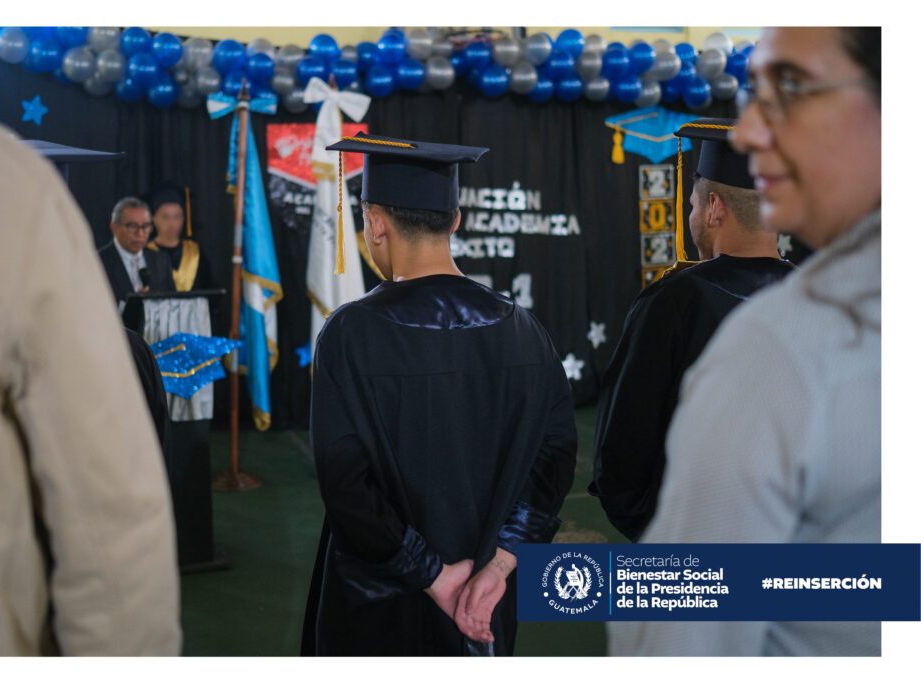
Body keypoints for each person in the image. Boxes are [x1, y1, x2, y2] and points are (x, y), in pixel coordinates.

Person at [610, 27, 881, 656]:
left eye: (791, 92)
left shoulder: (751, 335)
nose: (760, 129)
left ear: (710, 209)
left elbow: (624, 464)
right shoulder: (849, 305)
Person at [300, 132, 577, 656]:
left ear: (375, 223)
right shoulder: (523, 329)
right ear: (454, 220)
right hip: (484, 600)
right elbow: (555, 457)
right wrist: (498, 564)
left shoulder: (350, 334)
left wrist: (433, 575)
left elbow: (345, 484)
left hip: (378, 600)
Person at [0, 105, 181, 655]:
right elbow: (107, 495)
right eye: (136, 227)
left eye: (150, 227)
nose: (145, 234)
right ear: (115, 228)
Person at [589, 118, 795, 541]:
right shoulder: (822, 299)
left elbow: (623, 452)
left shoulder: (675, 301)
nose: (694, 216)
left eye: (694, 206)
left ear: (715, 208)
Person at [97, 196, 176, 311]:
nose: (140, 233)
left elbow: (173, 304)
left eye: (145, 226)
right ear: (114, 228)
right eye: (132, 226)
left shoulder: (161, 260)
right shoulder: (98, 262)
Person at [145, 182, 216, 292]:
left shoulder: (195, 252)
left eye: (177, 217)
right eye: (165, 217)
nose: (171, 223)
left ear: (183, 219)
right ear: (154, 219)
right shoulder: (144, 252)